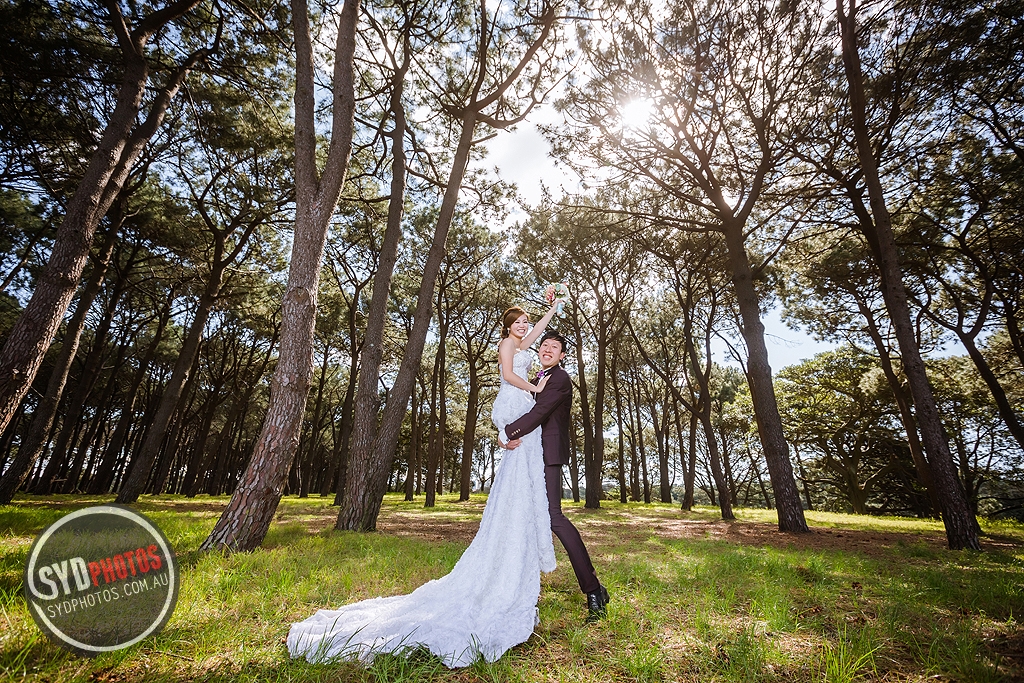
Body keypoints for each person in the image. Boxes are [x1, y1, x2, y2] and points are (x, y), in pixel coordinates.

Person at [287, 301, 563, 668]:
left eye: (526, 322)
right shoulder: (506, 345)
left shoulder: (523, 342)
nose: (524, 327)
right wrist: (536, 388)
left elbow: (538, 333)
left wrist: (553, 308)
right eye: (519, 322)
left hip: (523, 409)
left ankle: (515, 558)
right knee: (516, 471)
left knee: (522, 477)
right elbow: (510, 376)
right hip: (516, 400)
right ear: (508, 326)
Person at [499, 329, 610, 621]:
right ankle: (519, 589)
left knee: (554, 518)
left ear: (562, 355)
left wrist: (506, 432)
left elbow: (539, 414)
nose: (547, 349)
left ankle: (594, 589)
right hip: (530, 455)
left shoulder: (559, 379)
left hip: (548, 455)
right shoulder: (538, 378)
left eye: (554, 347)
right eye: (544, 345)